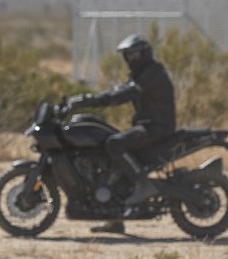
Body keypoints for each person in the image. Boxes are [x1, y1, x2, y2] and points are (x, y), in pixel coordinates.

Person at [68, 34, 176, 234]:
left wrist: (90, 100)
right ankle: (114, 219)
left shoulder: (153, 72)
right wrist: (88, 101)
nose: (130, 59)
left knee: (114, 144)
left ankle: (143, 184)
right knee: (108, 154)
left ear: (144, 54)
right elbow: (121, 89)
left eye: (133, 54)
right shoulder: (141, 73)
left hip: (157, 128)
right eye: (127, 55)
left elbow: (124, 94)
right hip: (147, 126)